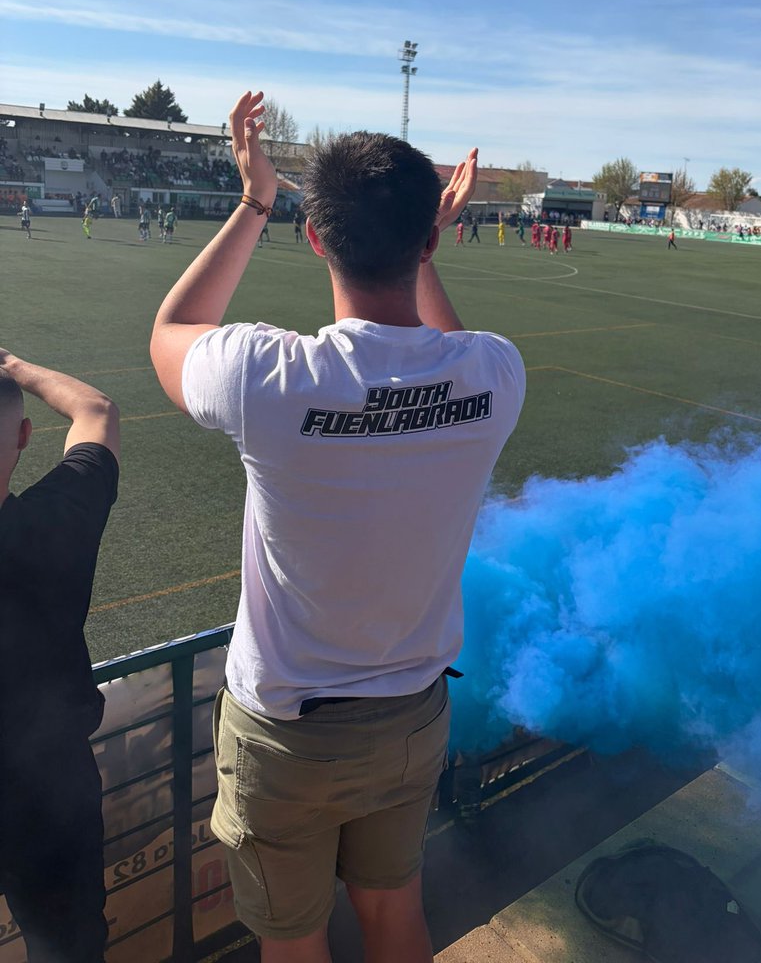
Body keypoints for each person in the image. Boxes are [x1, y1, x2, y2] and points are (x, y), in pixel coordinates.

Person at [150, 91, 525, 963]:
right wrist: (429, 238)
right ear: (432, 239)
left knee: (294, 941)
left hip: (287, 730)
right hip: (410, 720)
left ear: (315, 237)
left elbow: (172, 330)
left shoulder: (265, 375)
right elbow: (451, 353)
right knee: (395, 914)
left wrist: (254, 201)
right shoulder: (495, 375)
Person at [0, 350, 120, 963]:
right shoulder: (60, 517)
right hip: (49, 792)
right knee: (69, 950)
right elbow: (95, 410)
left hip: (50, 789)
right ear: (24, 436)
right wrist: (12, 364)